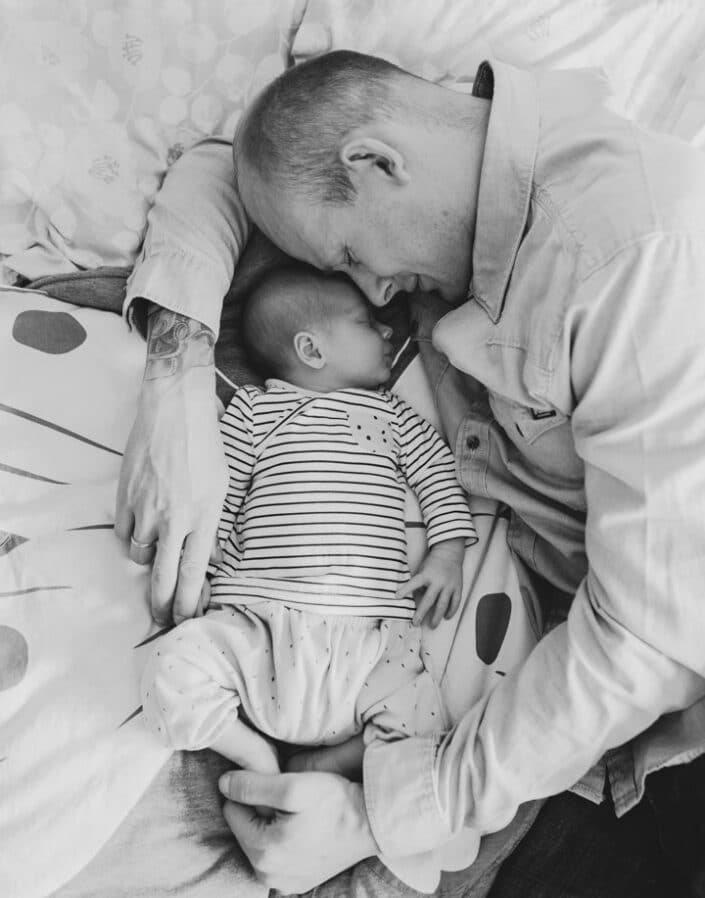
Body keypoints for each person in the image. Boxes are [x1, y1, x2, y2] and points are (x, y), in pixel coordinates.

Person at [117, 50, 705, 896]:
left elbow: (647, 640)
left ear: (374, 162)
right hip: (569, 712)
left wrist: (377, 817)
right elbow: (217, 166)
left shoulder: (631, 258)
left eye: (351, 255)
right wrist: (174, 387)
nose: (376, 294)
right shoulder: (465, 187)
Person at [140, 265, 478, 790]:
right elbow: (221, 493)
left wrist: (448, 552)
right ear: (312, 349)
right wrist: (203, 566)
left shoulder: (396, 416)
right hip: (258, 626)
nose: (388, 331)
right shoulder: (254, 410)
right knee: (168, 666)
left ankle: (330, 764)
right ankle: (254, 756)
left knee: (429, 728)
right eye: (368, 322)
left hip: (368, 642)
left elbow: (437, 472)